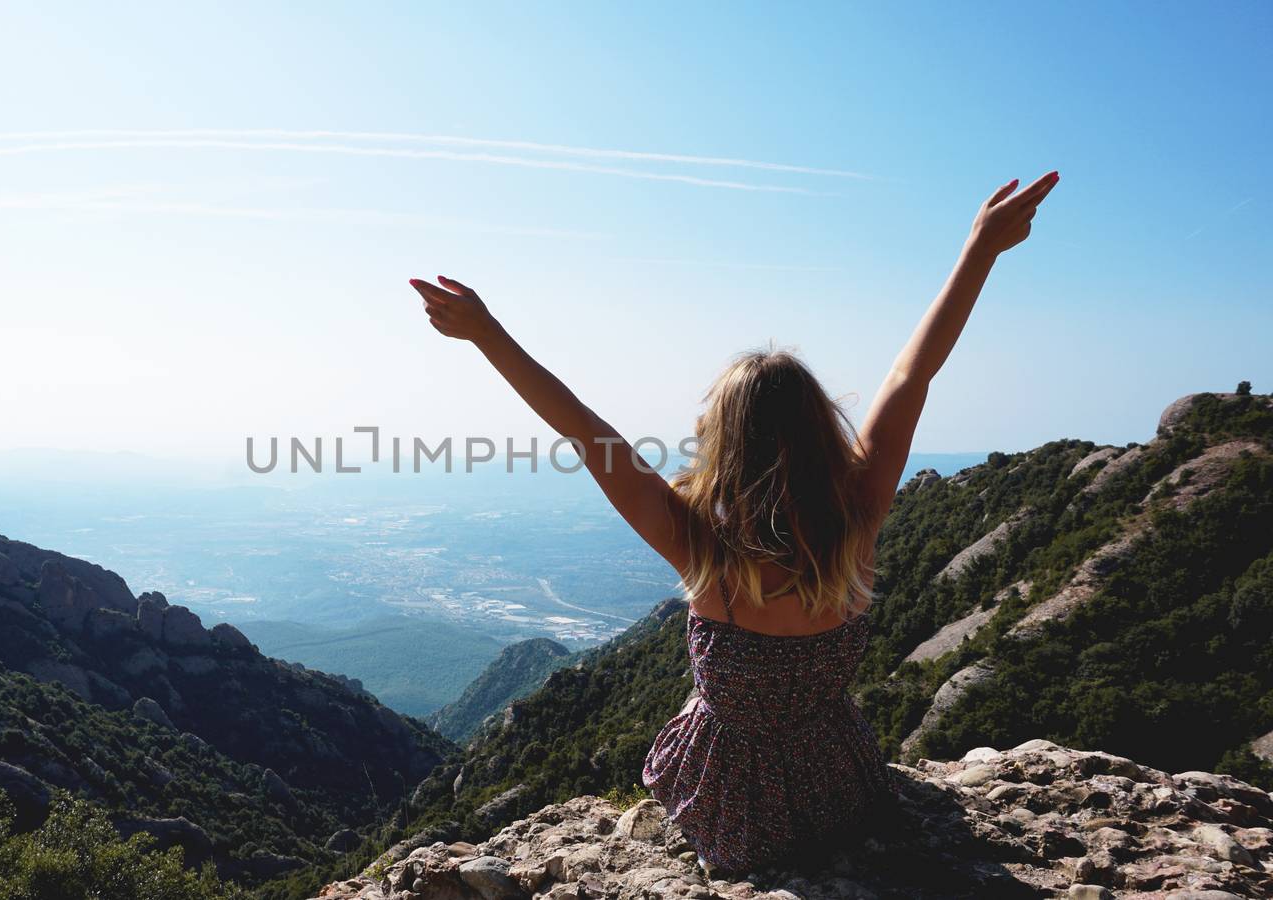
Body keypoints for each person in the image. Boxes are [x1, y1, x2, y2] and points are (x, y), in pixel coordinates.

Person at [407, 171, 1059, 873]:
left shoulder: (699, 543)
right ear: (818, 430)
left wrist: (487, 335)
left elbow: (582, 429)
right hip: (841, 780)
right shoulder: (856, 518)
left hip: (734, 800)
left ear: (721, 437)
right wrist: (978, 252)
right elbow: (911, 377)